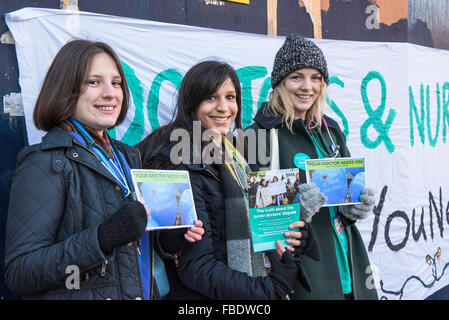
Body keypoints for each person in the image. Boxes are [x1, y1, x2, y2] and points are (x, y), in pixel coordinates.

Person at [4, 39, 203, 300]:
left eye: (116, 82)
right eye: (94, 82)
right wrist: (102, 237)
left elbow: (133, 249)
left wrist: (173, 238)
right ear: (66, 90)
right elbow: (21, 273)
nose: (111, 93)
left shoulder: (128, 156)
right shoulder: (45, 162)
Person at [137, 60, 317, 299]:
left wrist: (297, 236)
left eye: (230, 97)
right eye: (211, 98)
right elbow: (195, 267)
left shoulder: (233, 153)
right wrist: (267, 290)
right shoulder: (181, 161)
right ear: (192, 104)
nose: (224, 108)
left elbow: (262, 228)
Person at [245, 34, 378, 300]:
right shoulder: (258, 135)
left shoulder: (330, 130)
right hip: (304, 274)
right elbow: (254, 222)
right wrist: (297, 211)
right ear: (280, 82)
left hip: (351, 268)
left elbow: (345, 204)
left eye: (316, 78)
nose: (307, 87)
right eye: (297, 77)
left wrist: (354, 207)